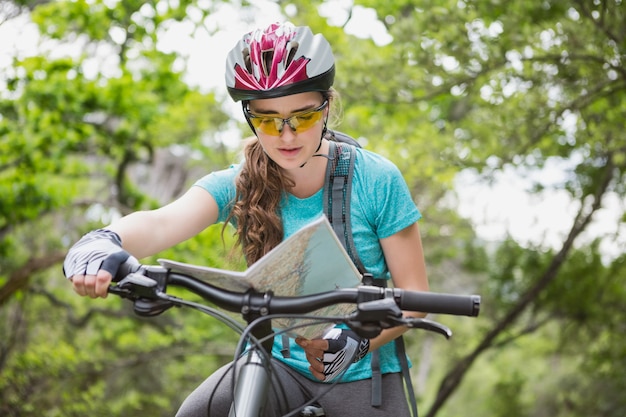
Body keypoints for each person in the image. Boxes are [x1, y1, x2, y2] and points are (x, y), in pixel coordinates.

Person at [63, 22, 429, 417]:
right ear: (249, 116)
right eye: (268, 120)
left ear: (327, 106)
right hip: (278, 370)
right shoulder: (239, 182)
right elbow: (160, 223)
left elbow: (416, 297)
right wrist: (104, 239)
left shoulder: (376, 180)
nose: (286, 136)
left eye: (302, 117)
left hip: (363, 379)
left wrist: (356, 339)